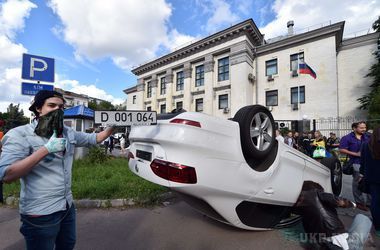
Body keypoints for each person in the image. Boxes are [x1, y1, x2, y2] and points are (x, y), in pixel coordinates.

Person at [0, 90, 114, 250]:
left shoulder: (67, 132)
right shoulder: (20, 134)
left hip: (66, 207)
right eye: (51, 105)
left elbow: (95, 138)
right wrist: (46, 149)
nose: (57, 110)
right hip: (40, 213)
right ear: (38, 108)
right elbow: (7, 175)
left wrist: (113, 126)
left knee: (67, 245)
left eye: (61, 107)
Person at [293, 181, 372, 250]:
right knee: (363, 218)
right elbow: (339, 201)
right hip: (344, 245)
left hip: (325, 243)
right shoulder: (316, 193)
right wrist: (354, 205)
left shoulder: (301, 211)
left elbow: (311, 238)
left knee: (347, 231)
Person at [339, 121, 370, 211]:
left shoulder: (368, 136)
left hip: (368, 162)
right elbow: (341, 149)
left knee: (369, 181)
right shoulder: (347, 138)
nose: (364, 129)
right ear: (354, 128)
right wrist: (355, 154)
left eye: (365, 127)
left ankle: (369, 203)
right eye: (361, 128)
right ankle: (359, 202)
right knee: (357, 182)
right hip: (355, 162)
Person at [360, 127, 380, 238]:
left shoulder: (366, 145)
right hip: (373, 177)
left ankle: (378, 227)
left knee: (375, 202)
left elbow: (363, 162)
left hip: (372, 178)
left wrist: (363, 174)